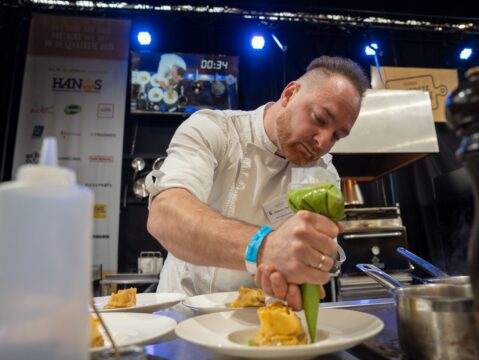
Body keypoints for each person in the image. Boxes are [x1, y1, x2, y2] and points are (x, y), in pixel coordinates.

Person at [146, 56, 369, 309]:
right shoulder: (214, 130)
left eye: (337, 136)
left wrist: (304, 267)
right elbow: (165, 215)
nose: (324, 141)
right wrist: (264, 247)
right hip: (184, 314)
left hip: (261, 324)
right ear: (289, 94)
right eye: (319, 118)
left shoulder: (323, 173)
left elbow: (316, 253)